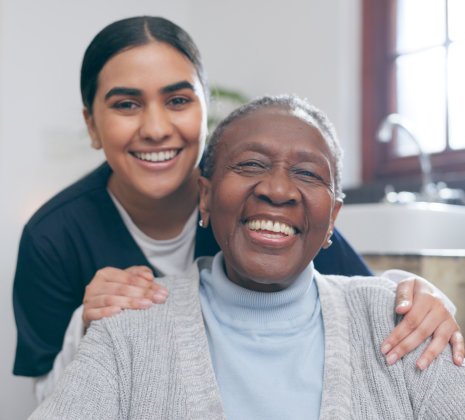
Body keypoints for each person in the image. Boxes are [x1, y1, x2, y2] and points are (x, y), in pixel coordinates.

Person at [12, 16, 462, 401]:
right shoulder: (53, 235)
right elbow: (48, 398)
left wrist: (419, 295)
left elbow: (358, 301)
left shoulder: (253, 207)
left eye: (178, 101)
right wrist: (85, 329)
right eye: (127, 104)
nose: (155, 127)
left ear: (205, 111)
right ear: (92, 124)